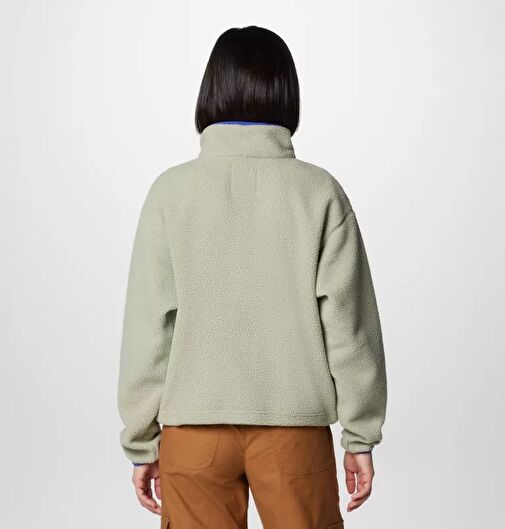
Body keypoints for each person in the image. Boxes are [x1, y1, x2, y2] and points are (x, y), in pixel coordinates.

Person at [117, 25, 387, 529]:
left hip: (192, 432)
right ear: (287, 93)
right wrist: (360, 436)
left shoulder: (170, 193)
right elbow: (350, 329)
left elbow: (149, 329)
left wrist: (141, 441)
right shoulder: (319, 193)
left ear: (210, 92)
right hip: (294, 430)